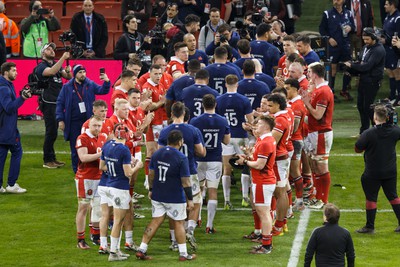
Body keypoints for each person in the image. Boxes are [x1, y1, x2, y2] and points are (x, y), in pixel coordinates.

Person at [136, 130, 196, 261]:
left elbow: (151, 173)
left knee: (155, 221)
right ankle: (183, 254)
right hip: (175, 196)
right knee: (179, 223)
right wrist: (190, 200)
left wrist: (151, 189)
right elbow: (186, 182)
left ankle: (141, 249)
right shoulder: (181, 157)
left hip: (158, 194)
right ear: (180, 142)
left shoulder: (156, 153)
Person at [158, 102, 206, 250]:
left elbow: (161, 153)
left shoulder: (165, 131)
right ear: (184, 114)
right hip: (189, 170)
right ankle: (189, 230)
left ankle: (174, 240)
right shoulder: (193, 130)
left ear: (171, 114)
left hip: (171, 174)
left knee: (174, 205)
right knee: (196, 201)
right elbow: (202, 152)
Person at [100, 123, 143, 261]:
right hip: (119, 188)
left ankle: (113, 249)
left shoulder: (107, 146)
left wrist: (115, 168)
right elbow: (128, 173)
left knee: (112, 218)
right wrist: (138, 165)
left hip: (108, 185)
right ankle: (113, 253)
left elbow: (102, 166)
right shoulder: (124, 150)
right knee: (118, 221)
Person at [56, 64, 110, 173]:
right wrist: (60, 119)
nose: (83, 74)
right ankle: (77, 171)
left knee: (91, 146)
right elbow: (60, 103)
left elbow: (102, 90)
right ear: (75, 74)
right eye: (80, 72)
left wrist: (107, 81)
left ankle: (91, 168)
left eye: (84, 72)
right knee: (75, 147)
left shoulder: (89, 84)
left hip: (88, 122)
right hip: (73, 123)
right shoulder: (67, 87)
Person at [355, 105, 400, 234]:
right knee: (393, 196)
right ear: (387, 117)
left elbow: (358, 148)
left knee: (371, 198)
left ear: (375, 117)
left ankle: (370, 226)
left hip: (372, 171)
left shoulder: (369, 133)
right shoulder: (395, 130)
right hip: (390, 170)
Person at [236, 115, 277, 254]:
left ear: (266, 127)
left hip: (263, 181)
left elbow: (260, 165)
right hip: (263, 181)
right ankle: (266, 242)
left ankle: (266, 245)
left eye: (258, 124)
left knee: (264, 213)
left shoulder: (265, 142)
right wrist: (248, 155)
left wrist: (245, 162)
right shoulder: (264, 140)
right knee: (264, 212)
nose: (256, 127)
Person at [190, 94, 230, 233]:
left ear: (202, 105)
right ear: (215, 105)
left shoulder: (195, 121)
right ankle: (210, 225)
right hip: (215, 159)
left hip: (199, 160)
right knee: (213, 191)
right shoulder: (222, 120)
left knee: (199, 190)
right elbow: (226, 141)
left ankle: (197, 218)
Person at [216, 74, 254, 209]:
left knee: (226, 168)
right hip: (240, 136)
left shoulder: (218, 99)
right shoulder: (244, 100)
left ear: (225, 84)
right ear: (237, 84)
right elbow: (251, 121)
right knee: (245, 165)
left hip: (226, 137)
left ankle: (227, 201)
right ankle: (244, 197)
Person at [35, 43, 72, 169]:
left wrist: (68, 71)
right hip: (49, 101)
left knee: (53, 132)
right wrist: (63, 58)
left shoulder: (54, 65)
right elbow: (51, 72)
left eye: (52, 49)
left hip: (57, 101)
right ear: (43, 53)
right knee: (51, 132)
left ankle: (52, 158)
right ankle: (47, 159)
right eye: (48, 49)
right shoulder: (41, 66)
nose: (52, 50)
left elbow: (68, 77)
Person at [303, 63, 334, 209]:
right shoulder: (317, 89)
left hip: (321, 133)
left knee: (321, 167)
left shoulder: (324, 91)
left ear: (315, 74)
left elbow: (318, 114)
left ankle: (324, 199)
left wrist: (307, 103)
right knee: (314, 165)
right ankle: (317, 196)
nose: (307, 74)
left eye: (309, 71)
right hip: (313, 132)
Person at [344, 28, 385, 134]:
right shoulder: (366, 47)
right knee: (361, 106)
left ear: (374, 38)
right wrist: (352, 69)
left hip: (372, 81)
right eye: (364, 39)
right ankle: (365, 130)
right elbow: (360, 61)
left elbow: (367, 66)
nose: (365, 41)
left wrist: (352, 65)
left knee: (368, 107)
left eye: (367, 39)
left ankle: (377, 128)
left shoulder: (378, 50)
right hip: (363, 80)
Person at [74, 117, 107, 249]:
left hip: (99, 177)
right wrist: (100, 155)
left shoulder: (103, 136)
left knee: (98, 207)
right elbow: (83, 157)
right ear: (88, 126)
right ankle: (80, 239)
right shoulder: (82, 138)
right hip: (85, 178)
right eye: (94, 126)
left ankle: (96, 236)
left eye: (99, 126)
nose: (97, 128)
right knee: (83, 208)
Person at [0, 62, 31, 194]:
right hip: (7, 129)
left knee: (1, 156)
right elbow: (9, 107)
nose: (16, 72)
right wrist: (22, 98)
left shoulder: (6, 85)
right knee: (17, 153)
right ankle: (11, 184)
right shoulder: (4, 88)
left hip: (4, 128)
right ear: (6, 72)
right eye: (13, 70)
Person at [319, 0, 355, 101]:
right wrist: (329, 38)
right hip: (333, 46)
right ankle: (331, 91)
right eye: (334, 0)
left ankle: (344, 90)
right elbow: (322, 29)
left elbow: (354, 27)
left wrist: (350, 28)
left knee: (348, 67)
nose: (336, 1)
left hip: (346, 45)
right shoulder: (327, 14)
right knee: (332, 69)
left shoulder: (349, 13)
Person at [381, 0, 400, 103]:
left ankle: (399, 98)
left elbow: (398, 36)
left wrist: (386, 40)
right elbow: (385, 31)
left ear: (392, 5)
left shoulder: (398, 18)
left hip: (395, 50)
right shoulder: (387, 17)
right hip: (387, 49)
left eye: (386, 4)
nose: (384, 6)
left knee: (397, 73)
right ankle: (392, 96)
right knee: (390, 73)